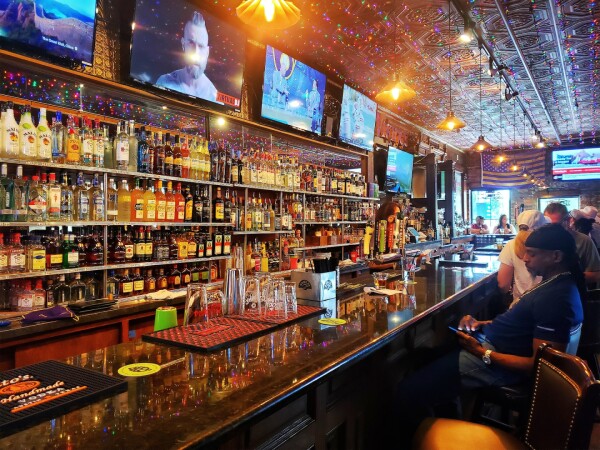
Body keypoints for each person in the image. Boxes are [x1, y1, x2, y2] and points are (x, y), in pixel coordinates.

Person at [393, 224, 584, 447]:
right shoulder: (556, 284)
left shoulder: (557, 298)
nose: (524, 258)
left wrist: (483, 353)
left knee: (408, 393)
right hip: (489, 344)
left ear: (556, 256)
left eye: (532, 254)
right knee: (424, 359)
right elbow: (524, 324)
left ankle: (436, 439)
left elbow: (541, 364)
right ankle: (451, 428)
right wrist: (482, 323)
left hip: (495, 361)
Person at [156, 11, 217, 102]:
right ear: (183, 44)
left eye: (201, 46)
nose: (196, 54)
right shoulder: (164, 83)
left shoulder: (214, 96)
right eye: (191, 43)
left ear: (207, 52)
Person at [497, 210, 547, 304]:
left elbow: (503, 285)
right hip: (547, 302)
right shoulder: (550, 245)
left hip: (520, 304)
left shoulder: (511, 245)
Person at [544, 202, 600, 284]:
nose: (552, 230)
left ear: (568, 220)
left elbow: (596, 274)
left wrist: (566, 279)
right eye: (548, 225)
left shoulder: (584, 241)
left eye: (557, 225)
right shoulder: (542, 241)